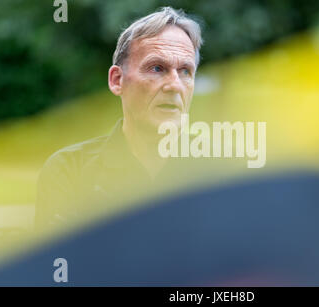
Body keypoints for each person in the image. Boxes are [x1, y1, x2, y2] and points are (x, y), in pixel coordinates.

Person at [35, 7, 203, 229]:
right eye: (157, 68)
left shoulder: (224, 172)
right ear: (117, 80)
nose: (175, 85)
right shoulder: (69, 171)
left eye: (185, 72)